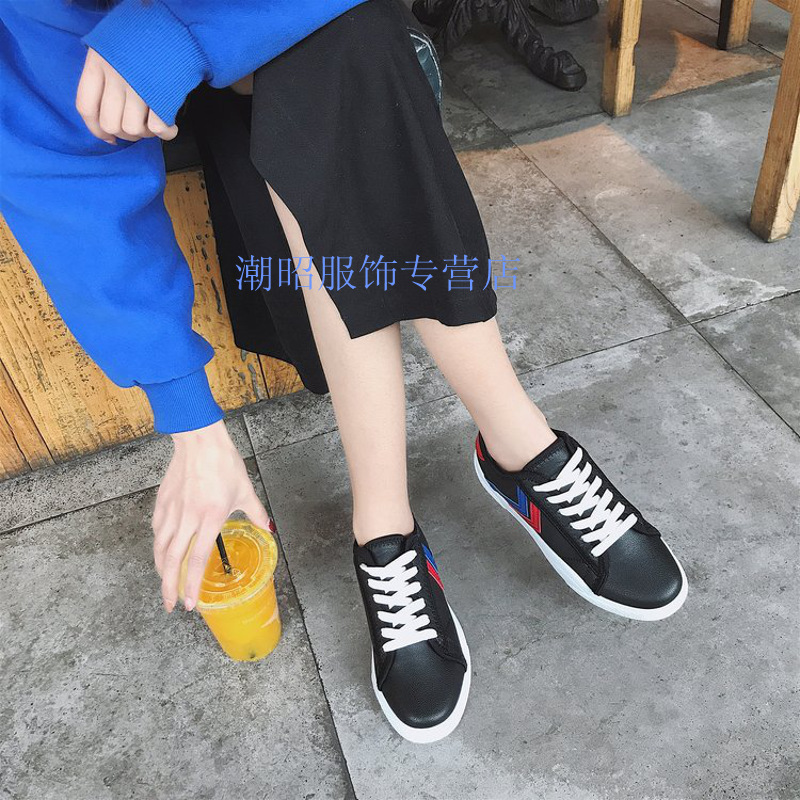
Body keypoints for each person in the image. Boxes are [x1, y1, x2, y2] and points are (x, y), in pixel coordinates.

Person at [0, 0, 688, 745]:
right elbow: (48, 141)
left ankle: (428, 498)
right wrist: (190, 421)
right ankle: (496, 470)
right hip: (158, 93)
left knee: (345, 51)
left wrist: (179, 27)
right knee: (344, 68)